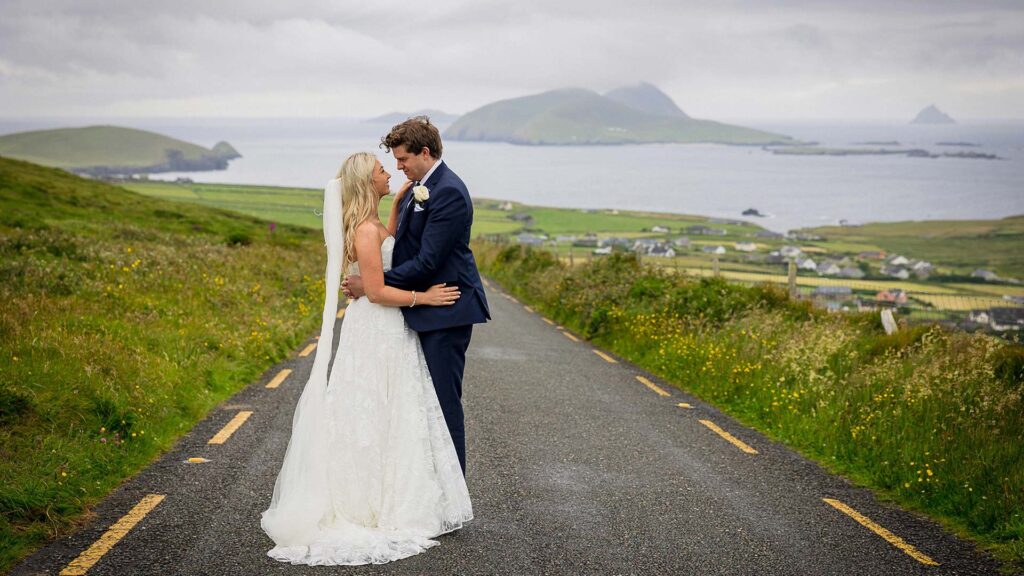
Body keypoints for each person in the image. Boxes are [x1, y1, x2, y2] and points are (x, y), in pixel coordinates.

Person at [261, 152, 472, 566]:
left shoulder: (373, 223)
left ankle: (388, 492)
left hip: (386, 327)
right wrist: (423, 297)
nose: (388, 171)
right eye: (380, 169)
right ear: (365, 181)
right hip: (377, 325)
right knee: (372, 408)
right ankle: (367, 501)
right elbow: (374, 290)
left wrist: (394, 210)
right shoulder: (363, 230)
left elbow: (385, 247)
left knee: (389, 409)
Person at [343, 117, 491, 475]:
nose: (398, 167)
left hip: (446, 311)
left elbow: (426, 262)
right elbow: (399, 244)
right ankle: (426, 484)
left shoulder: (448, 191)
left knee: (442, 405)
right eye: (391, 162)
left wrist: (372, 284)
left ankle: (451, 492)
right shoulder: (417, 188)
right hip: (418, 312)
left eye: (403, 159)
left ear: (425, 153)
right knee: (419, 406)